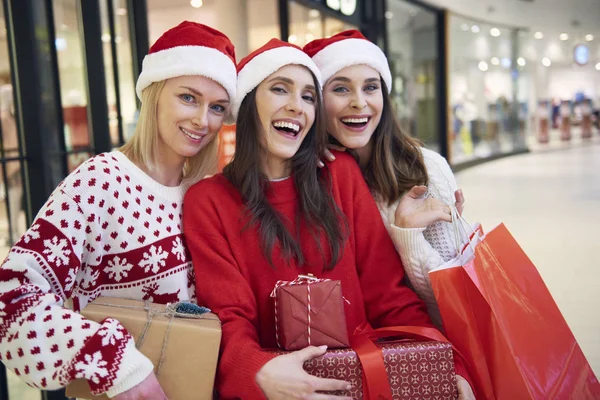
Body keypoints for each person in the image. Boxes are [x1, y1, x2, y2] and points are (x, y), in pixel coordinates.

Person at [183, 39, 473, 400]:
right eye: (279, 89)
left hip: (364, 377)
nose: (296, 106)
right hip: (281, 385)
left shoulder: (341, 176)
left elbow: (389, 295)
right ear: (247, 103)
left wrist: (448, 364)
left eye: (308, 97)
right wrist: (256, 372)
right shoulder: (208, 201)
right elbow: (229, 317)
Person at [0, 21, 237, 399]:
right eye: (188, 97)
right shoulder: (99, 182)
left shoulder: (204, 192)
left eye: (218, 107)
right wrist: (115, 363)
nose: (202, 120)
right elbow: (11, 298)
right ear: (155, 94)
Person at [304, 30, 468, 329]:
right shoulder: (315, 173)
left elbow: (454, 298)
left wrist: (409, 238)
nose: (359, 102)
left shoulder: (425, 169)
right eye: (340, 89)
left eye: (370, 87)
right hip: (351, 348)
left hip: (426, 345)